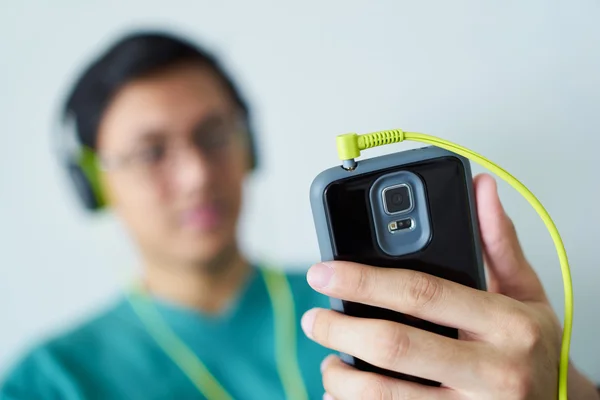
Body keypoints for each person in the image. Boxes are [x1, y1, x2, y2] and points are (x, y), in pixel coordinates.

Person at [1, 29, 598, 400]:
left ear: (249, 147)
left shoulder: (399, 306)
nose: (196, 175)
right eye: (151, 152)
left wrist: (566, 394)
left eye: (214, 135)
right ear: (95, 184)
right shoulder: (50, 380)